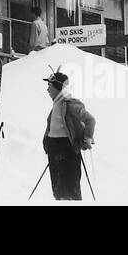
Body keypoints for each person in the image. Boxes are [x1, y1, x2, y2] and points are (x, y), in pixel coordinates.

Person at [42, 71, 95, 201]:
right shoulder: (56, 105)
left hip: (67, 150)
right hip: (54, 149)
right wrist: (47, 142)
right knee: (57, 190)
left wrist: (87, 138)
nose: (47, 89)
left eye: (50, 86)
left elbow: (90, 120)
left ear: (58, 87)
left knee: (70, 190)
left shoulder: (70, 104)